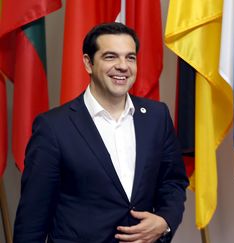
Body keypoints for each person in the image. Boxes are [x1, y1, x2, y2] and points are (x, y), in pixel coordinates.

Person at [13, 22, 189, 243]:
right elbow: (32, 221)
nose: (123, 66)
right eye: (110, 57)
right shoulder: (53, 128)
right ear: (88, 63)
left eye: (130, 57)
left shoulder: (157, 116)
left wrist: (165, 221)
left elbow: (172, 182)